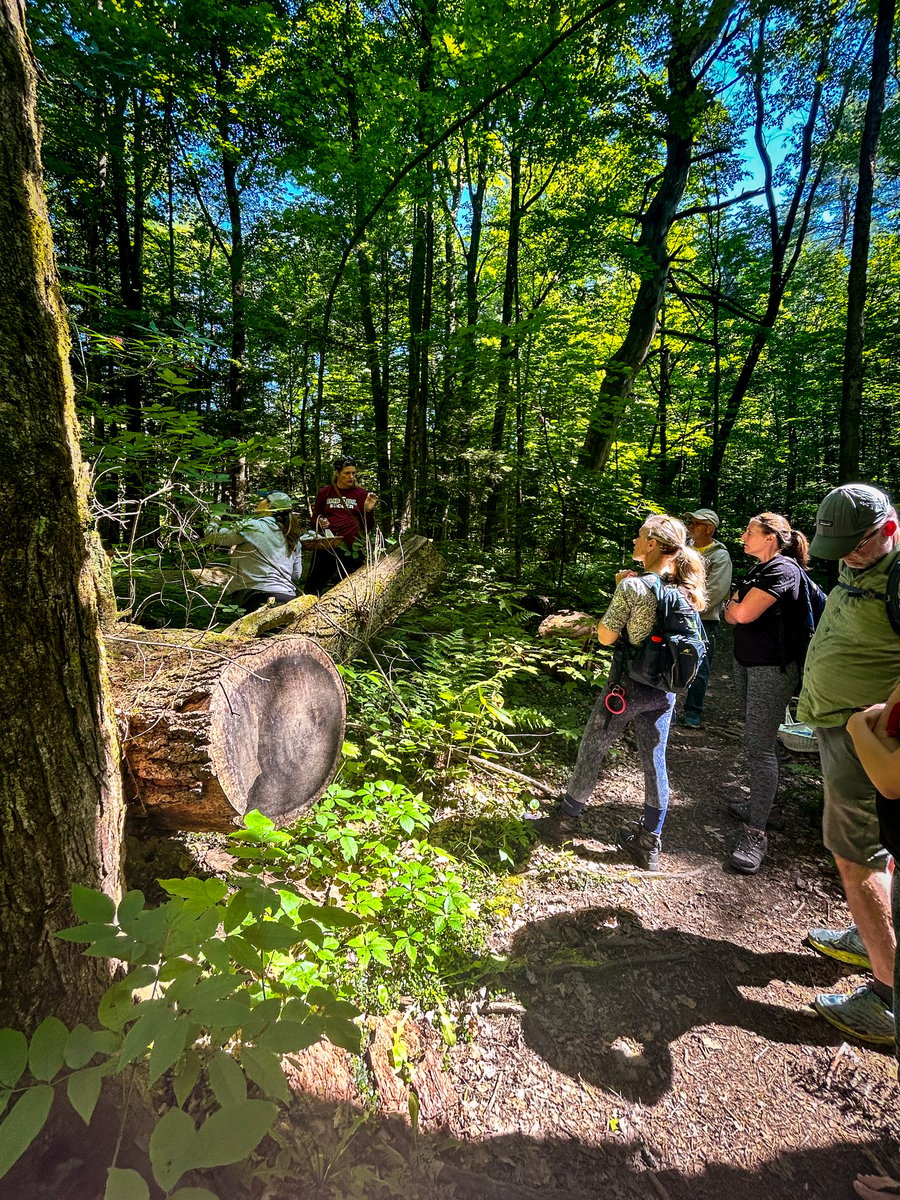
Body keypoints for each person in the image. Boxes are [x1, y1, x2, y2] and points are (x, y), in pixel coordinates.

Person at [538, 515, 706, 871]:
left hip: (626, 685)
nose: (635, 539)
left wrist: (618, 591)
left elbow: (606, 636)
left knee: (593, 746)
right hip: (663, 690)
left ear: (653, 545)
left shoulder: (632, 587)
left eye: (641, 535)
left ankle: (564, 820)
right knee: (655, 758)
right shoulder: (686, 589)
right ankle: (649, 841)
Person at [797, 483, 900, 1045]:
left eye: (853, 547)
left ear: (886, 529)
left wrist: (879, 716)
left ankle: (886, 1000)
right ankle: (873, 938)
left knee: (853, 856)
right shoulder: (865, 565)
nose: (845, 558)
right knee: (873, 847)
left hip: (868, 740)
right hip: (844, 731)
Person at [722, 512, 811, 874]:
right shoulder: (760, 569)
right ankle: (760, 803)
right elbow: (734, 611)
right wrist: (734, 605)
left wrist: (734, 604)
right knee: (759, 742)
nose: (743, 536)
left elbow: (739, 614)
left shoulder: (783, 570)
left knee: (759, 748)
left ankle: (755, 833)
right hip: (749, 664)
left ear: (771, 537)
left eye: (750, 531)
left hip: (772, 670)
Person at [206, 491, 304, 613]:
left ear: (269, 506)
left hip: (255, 597)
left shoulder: (252, 526)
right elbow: (296, 575)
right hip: (288, 599)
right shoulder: (292, 536)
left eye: (263, 499)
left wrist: (216, 516)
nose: (259, 501)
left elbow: (211, 536)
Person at [681, 508, 733, 728]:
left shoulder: (720, 555)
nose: (690, 526)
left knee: (699, 666)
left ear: (710, 528)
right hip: (679, 615)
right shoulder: (684, 550)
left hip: (704, 620)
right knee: (671, 659)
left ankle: (693, 711)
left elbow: (717, 590)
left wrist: (689, 606)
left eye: (696, 523)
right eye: (690, 522)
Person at [305, 456, 378, 595]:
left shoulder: (361, 494)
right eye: (347, 473)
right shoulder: (325, 493)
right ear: (337, 473)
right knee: (313, 587)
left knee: (351, 589)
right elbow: (314, 519)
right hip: (328, 546)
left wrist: (368, 511)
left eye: (353, 473)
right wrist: (320, 522)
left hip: (353, 548)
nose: (351, 477)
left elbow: (368, 527)